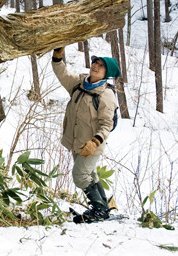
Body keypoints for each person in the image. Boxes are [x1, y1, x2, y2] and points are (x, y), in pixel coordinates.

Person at [51, 46, 120, 223]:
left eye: (100, 66)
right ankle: (103, 209)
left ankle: (98, 210)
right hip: (76, 141)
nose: (95, 67)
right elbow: (63, 74)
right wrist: (58, 57)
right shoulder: (79, 84)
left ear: (106, 73)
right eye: (94, 63)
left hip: (92, 145)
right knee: (90, 176)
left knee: (80, 176)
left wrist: (94, 142)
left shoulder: (106, 95)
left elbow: (107, 124)